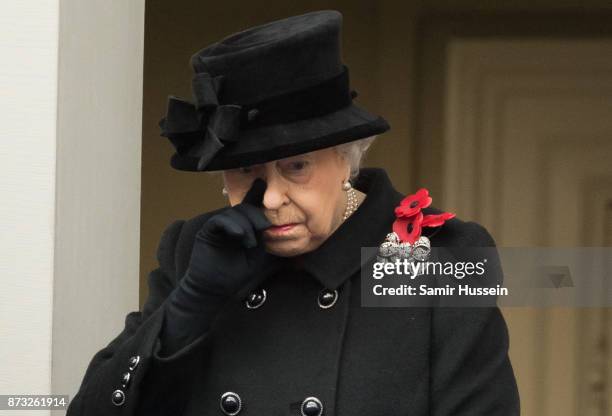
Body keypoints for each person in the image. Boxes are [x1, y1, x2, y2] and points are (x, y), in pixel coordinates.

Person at [66, 10, 520, 416]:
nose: (269, 199)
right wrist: (190, 305)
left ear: (346, 158)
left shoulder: (439, 255)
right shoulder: (191, 250)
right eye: (247, 170)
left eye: (296, 166)